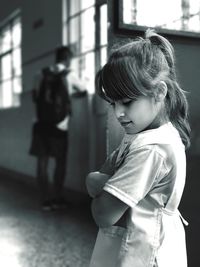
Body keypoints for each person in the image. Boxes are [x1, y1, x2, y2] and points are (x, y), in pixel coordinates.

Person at [86, 29, 190, 267]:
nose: (119, 113)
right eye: (113, 103)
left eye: (127, 101)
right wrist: (105, 182)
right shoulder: (141, 133)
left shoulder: (151, 149)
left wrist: (94, 181)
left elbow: (102, 214)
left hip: (141, 255)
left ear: (159, 92)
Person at [30, 46, 86, 211]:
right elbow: (83, 91)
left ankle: (44, 201)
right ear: (68, 59)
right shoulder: (70, 75)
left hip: (40, 124)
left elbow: (34, 97)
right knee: (60, 162)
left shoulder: (39, 74)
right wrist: (69, 96)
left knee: (42, 162)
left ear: (56, 57)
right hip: (59, 126)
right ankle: (57, 198)